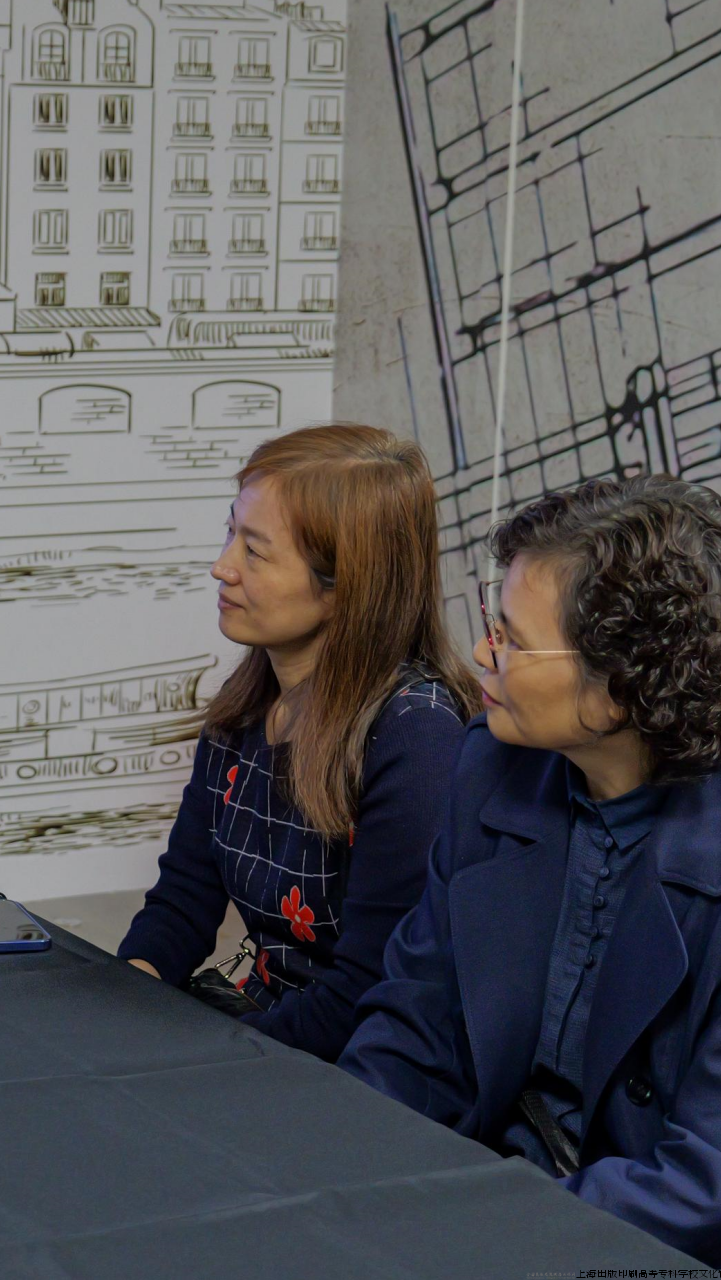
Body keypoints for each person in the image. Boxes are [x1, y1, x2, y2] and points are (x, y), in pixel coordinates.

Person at [340, 476, 721, 1271]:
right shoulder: (488, 765)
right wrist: (335, 1179)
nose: (482, 654)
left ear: (618, 688)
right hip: (477, 1199)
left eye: (511, 638)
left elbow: (709, 1191)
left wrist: (463, 1236)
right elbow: (414, 1026)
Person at [117, 424, 477, 1060]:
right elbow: (182, 902)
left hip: (352, 1067)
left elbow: (366, 995)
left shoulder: (416, 737)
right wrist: (122, 995)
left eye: (255, 552)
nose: (222, 566)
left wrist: (192, 1061)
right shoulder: (246, 704)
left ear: (345, 586)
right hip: (263, 1033)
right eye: (231, 532)